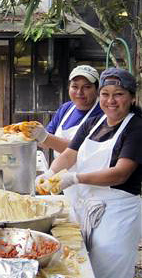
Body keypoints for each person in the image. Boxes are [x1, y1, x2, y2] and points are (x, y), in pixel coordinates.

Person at [37, 68, 142, 278]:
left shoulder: (137, 128)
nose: (111, 100)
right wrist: (50, 173)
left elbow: (120, 173)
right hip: (86, 208)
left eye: (118, 94)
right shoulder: (93, 123)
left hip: (118, 214)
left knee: (109, 271)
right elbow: (69, 155)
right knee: (86, 269)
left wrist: (75, 178)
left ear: (132, 97)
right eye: (105, 94)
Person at [29, 65, 103, 204]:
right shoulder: (66, 109)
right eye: (75, 86)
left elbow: (79, 150)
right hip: (63, 182)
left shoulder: (101, 114)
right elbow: (44, 143)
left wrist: (45, 137)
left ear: (97, 89)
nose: (79, 92)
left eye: (86, 87)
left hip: (90, 185)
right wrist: (50, 174)